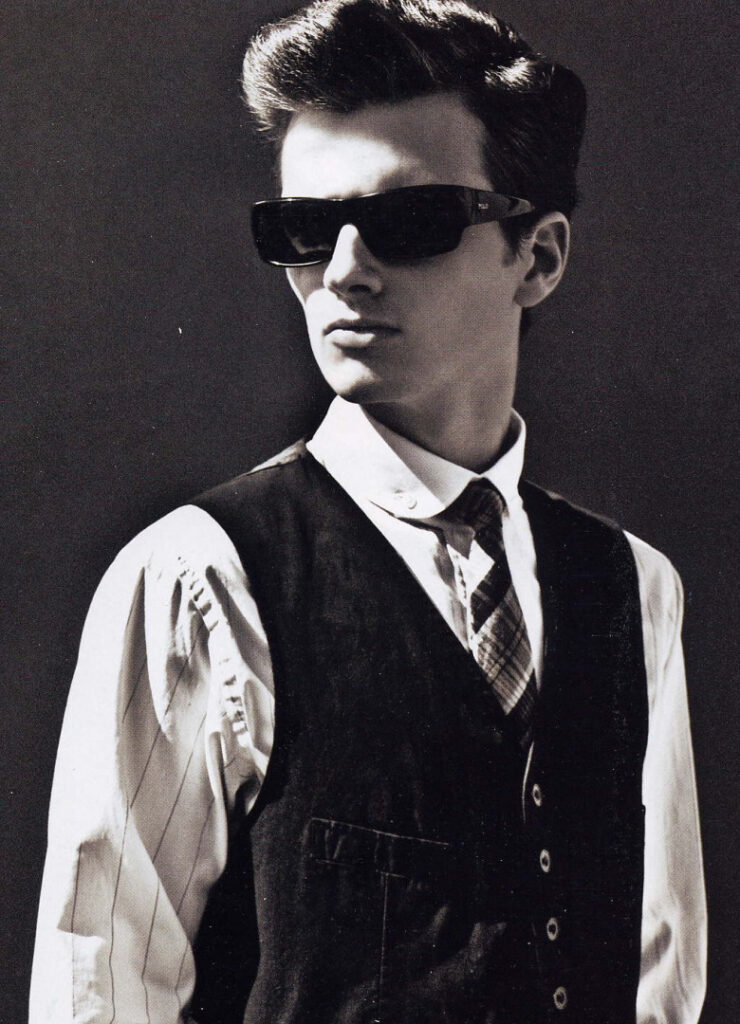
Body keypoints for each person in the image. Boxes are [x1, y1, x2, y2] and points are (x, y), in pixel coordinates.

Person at [30, 1, 707, 1021]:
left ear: (537, 257)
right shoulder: (200, 578)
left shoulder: (632, 587)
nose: (344, 270)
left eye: (408, 221)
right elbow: (101, 992)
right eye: (303, 229)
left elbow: (662, 974)